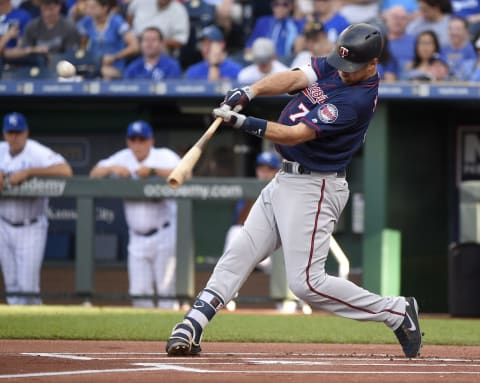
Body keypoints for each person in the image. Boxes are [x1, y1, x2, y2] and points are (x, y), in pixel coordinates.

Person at [165, 23, 423, 359]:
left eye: (352, 69)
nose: (342, 73)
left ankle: (396, 311)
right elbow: (294, 77)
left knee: (307, 283)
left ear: (372, 65)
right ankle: (192, 323)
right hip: (285, 179)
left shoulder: (356, 100)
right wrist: (250, 91)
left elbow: (295, 134)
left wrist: (244, 123)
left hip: (315, 186)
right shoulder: (342, 62)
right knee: (239, 253)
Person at [90, 120, 181, 309]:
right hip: (137, 237)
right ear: (128, 141)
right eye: (134, 139)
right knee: (139, 295)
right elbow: (93, 175)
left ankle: (171, 336)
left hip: (164, 233)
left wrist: (154, 171)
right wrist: (111, 169)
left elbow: (185, 174)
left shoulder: (163, 156)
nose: (138, 144)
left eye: (142, 139)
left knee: (166, 293)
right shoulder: (123, 158)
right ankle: (144, 339)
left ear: (151, 141)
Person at [0, 112, 73, 305]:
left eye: (18, 132)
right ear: (4, 134)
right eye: (10, 132)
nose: (14, 137)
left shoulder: (36, 151)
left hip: (30, 226)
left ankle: (35, 331)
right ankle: (18, 334)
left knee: (28, 288)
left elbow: (65, 170)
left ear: (26, 133)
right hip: (3, 225)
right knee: (12, 286)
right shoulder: (1, 150)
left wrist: (30, 171)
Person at [77, 0, 139, 79]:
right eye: (87, 7)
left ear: (104, 8)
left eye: (93, 7)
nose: (88, 11)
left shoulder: (117, 22)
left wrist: (114, 57)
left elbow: (134, 47)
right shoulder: (86, 22)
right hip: (92, 66)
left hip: (115, 67)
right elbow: (82, 46)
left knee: (103, 73)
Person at [4, 0, 80, 63]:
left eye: (51, 9)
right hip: (36, 66)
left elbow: (71, 54)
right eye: (44, 9)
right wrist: (34, 50)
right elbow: (22, 50)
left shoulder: (69, 27)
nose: (47, 13)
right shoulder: (32, 26)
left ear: (58, 7)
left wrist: (53, 58)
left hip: (62, 66)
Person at [383, 5, 416, 79]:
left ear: (408, 22)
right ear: (387, 19)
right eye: (395, 17)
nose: (398, 21)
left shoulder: (416, 41)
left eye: (403, 18)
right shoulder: (378, 42)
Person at [441, 16, 477, 81]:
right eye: (451, 29)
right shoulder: (442, 49)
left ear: (466, 32)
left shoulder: (473, 50)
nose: (454, 33)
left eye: (458, 29)